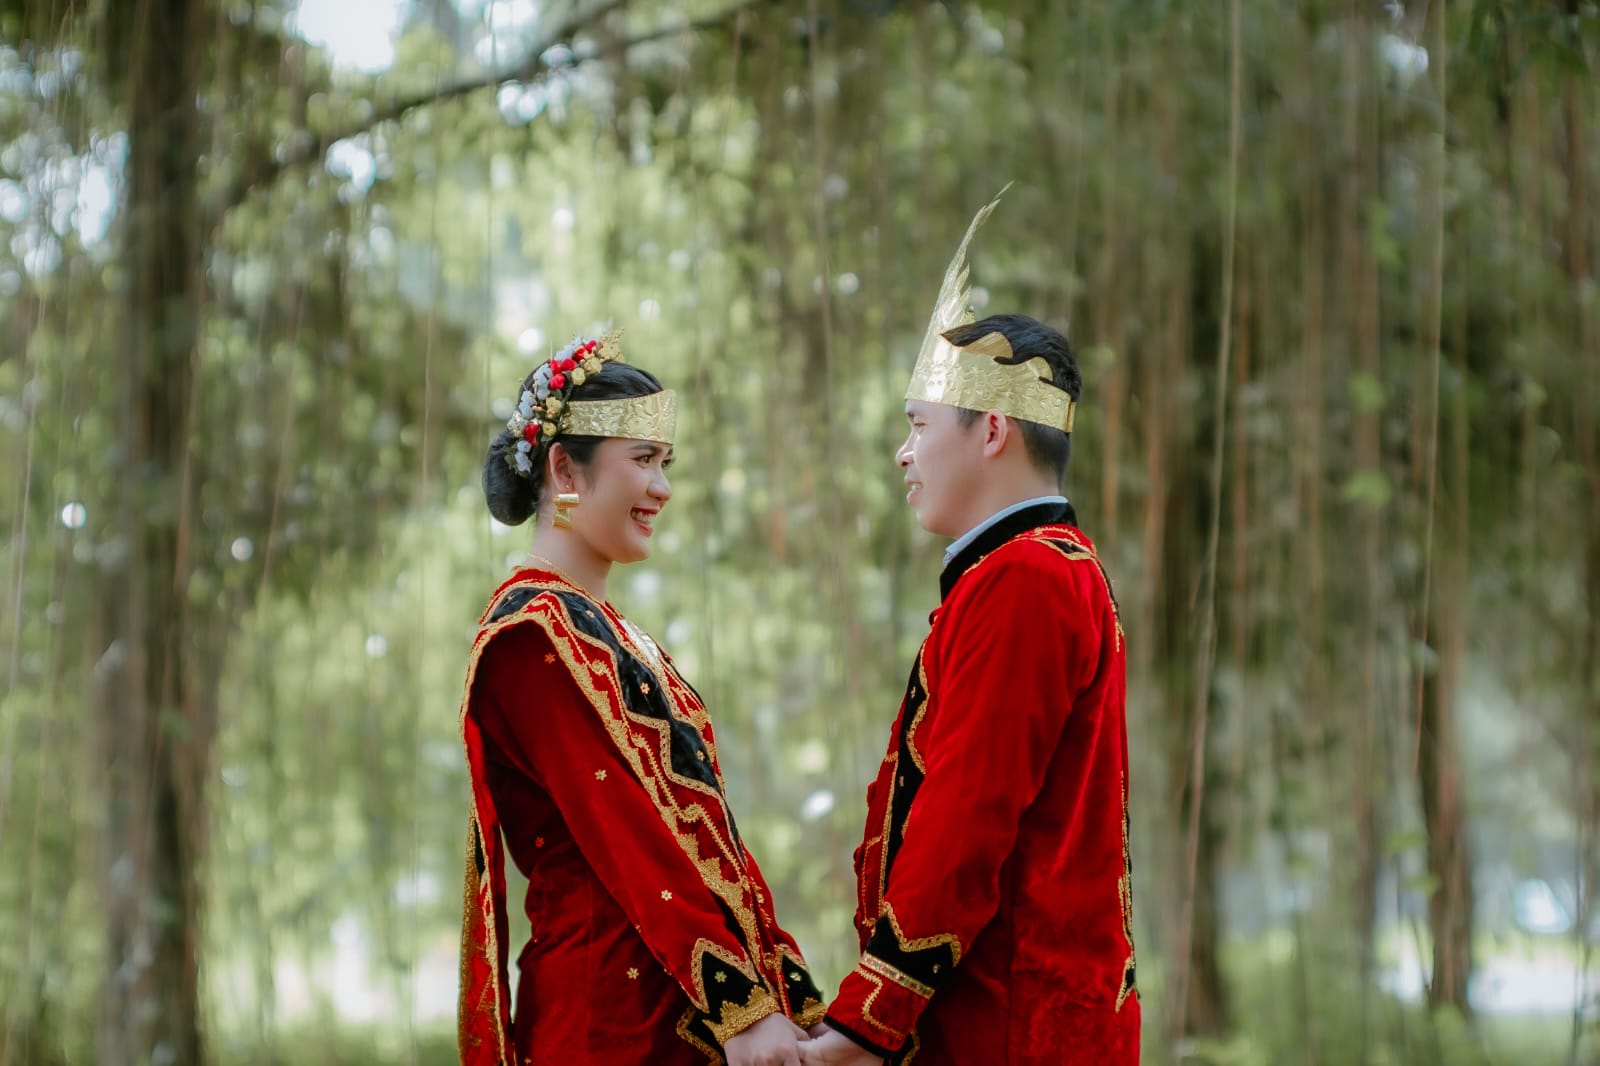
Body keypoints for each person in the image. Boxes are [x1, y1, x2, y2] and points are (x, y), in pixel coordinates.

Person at [801, 199, 1140, 1065]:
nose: (903, 453)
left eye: (918, 425)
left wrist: (864, 1024)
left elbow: (967, 817)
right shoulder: (1044, 568)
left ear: (991, 430)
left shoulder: (1027, 578)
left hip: (1011, 1029)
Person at [458, 332, 825, 1066]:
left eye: (666, 463)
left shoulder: (611, 631)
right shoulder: (531, 636)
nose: (662, 488)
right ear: (566, 469)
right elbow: (630, 834)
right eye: (643, 460)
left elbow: (708, 839)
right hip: (610, 1025)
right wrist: (741, 1011)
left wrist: (788, 994)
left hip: (674, 1012)